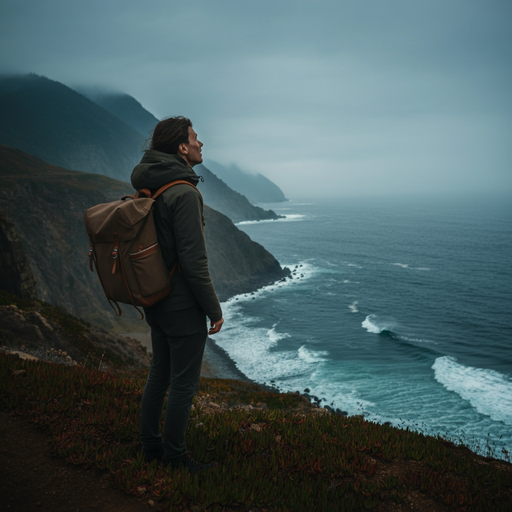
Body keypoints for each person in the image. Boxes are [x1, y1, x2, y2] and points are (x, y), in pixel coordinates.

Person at [131, 116, 224, 473]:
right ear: (182, 147)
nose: (202, 144)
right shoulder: (183, 192)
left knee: (159, 374)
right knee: (184, 385)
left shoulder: (154, 185)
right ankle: (175, 458)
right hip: (182, 305)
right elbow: (194, 262)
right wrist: (213, 309)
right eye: (196, 139)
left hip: (155, 297)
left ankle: (150, 447)